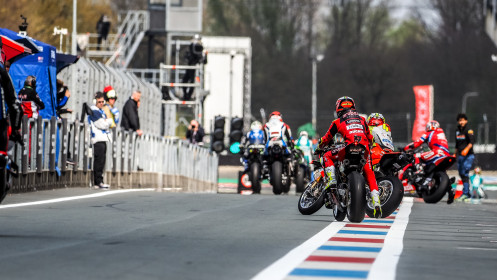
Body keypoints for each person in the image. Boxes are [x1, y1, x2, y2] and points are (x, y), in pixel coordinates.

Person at [315, 96, 382, 217]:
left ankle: (332, 181)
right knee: (369, 173)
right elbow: (370, 138)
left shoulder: (337, 122)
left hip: (347, 147)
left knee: (327, 156)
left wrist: (319, 147)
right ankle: (376, 202)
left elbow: (326, 139)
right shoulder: (362, 120)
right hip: (363, 149)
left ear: (338, 109)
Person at [0, 38, 23, 200]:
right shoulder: (2, 73)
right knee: (3, 155)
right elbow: (15, 105)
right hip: (0, 126)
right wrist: (15, 129)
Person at [88, 92, 112, 189]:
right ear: (95, 101)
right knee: (99, 160)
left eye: (103, 102)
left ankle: (100, 181)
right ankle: (98, 181)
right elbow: (102, 124)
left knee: (102, 161)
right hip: (97, 138)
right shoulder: (94, 111)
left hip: (102, 138)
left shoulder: (99, 110)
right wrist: (108, 121)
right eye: (99, 102)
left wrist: (107, 121)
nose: (101, 104)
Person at [454, 113, 475, 202]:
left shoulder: (469, 130)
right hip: (460, 156)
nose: (461, 122)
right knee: (461, 173)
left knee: (465, 172)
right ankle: (466, 193)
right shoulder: (457, 130)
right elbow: (457, 144)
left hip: (468, 156)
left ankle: (466, 193)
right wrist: (454, 154)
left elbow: (472, 142)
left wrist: (466, 149)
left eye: (463, 120)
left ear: (466, 121)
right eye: (460, 120)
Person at [182, 34, 207, 100]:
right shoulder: (191, 47)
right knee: (184, 81)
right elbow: (188, 56)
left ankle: (189, 95)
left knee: (194, 82)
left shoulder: (200, 48)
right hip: (190, 67)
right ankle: (186, 95)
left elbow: (203, 60)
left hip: (196, 70)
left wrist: (204, 54)